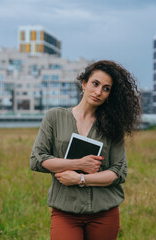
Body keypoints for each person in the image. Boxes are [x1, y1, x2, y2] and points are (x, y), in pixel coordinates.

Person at [30, 60, 141, 240]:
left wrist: (80, 179)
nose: (98, 92)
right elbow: (37, 159)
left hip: (104, 214)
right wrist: (78, 164)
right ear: (84, 83)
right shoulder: (54, 117)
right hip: (65, 212)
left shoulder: (113, 126)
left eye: (106, 88)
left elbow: (118, 172)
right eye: (95, 84)